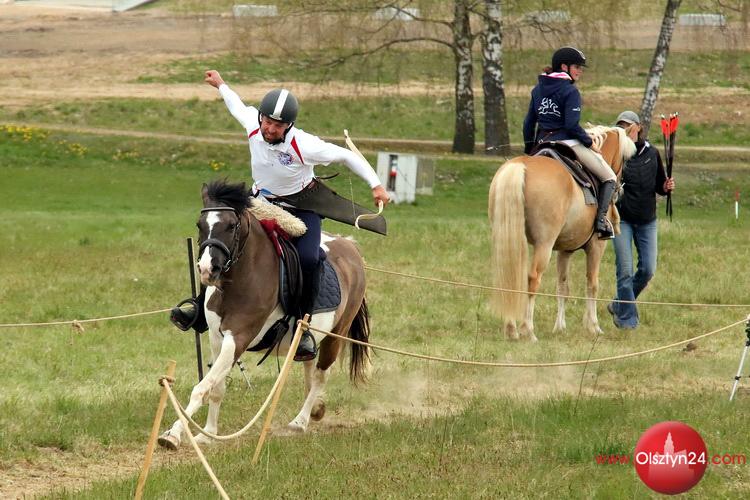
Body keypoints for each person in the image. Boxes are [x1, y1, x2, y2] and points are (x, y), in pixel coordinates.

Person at [171, 70, 389, 361]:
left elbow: (346, 156)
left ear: (289, 126)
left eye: (278, 125)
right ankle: (201, 308)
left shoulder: (305, 144)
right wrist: (221, 85)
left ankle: (303, 327)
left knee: (309, 258)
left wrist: (376, 185)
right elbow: (236, 105)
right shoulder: (254, 124)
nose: (270, 129)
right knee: (221, 237)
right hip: (260, 203)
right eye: (267, 121)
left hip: (301, 209)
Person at [522, 46, 618, 239]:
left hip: (541, 144)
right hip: (567, 143)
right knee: (609, 177)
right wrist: (589, 142)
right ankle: (601, 222)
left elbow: (528, 124)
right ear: (564, 66)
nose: (580, 71)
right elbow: (572, 125)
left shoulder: (537, 90)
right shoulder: (570, 91)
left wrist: (529, 149)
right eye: (577, 67)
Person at [608, 110, 675, 329]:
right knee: (625, 271)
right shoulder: (616, 155)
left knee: (648, 270)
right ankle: (627, 320)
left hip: (647, 220)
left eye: (629, 125)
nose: (625, 129)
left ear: (639, 127)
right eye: (621, 126)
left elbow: (660, 185)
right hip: (622, 220)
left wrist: (666, 187)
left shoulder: (652, 153)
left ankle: (619, 303)